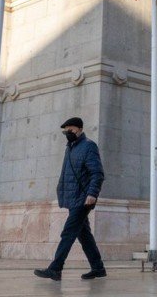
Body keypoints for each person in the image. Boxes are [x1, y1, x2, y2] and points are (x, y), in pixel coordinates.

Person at [34, 117, 106, 281]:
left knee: (68, 233)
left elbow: (97, 173)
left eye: (70, 130)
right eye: (65, 131)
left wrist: (92, 194)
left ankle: (55, 269)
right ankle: (98, 268)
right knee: (84, 235)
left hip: (83, 198)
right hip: (73, 198)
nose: (67, 133)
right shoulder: (70, 148)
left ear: (79, 129)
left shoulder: (89, 146)